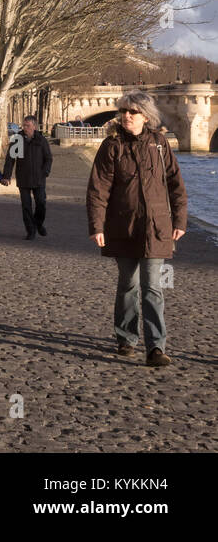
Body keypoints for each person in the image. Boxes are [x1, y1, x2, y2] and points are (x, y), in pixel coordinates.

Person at [87, 91, 187, 367]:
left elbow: (175, 184)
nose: (126, 116)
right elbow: (98, 189)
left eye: (132, 112)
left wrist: (179, 220)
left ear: (145, 115)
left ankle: (156, 347)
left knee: (152, 287)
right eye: (124, 111)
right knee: (128, 285)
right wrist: (97, 225)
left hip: (156, 227)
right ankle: (126, 338)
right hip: (123, 226)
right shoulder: (112, 145)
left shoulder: (159, 143)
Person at [0, 114, 53, 240]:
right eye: (24, 125)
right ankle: (31, 230)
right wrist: (7, 176)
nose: (25, 128)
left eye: (28, 126)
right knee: (26, 206)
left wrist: (45, 172)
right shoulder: (17, 139)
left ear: (34, 126)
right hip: (23, 178)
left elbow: (48, 158)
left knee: (41, 203)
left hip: (39, 178)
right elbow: (10, 159)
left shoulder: (41, 140)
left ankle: (38, 223)